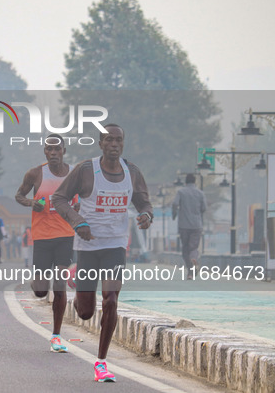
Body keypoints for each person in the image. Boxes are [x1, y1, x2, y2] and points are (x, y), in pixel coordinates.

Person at [52, 123, 152, 382]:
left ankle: (101, 363)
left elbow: (143, 201)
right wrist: (77, 222)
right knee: (85, 312)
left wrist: (146, 215)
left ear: (123, 143)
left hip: (116, 246)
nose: (114, 144)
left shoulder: (133, 172)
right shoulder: (86, 170)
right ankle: (79, 295)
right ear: (100, 143)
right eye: (109, 140)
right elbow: (59, 199)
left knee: (110, 300)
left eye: (119, 140)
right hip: (87, 247)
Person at [15, 134, 79, 353]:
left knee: (59, 284)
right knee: (41, 290)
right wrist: (32, 202)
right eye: (49, 150)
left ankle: (57, 336)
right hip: (42, 236)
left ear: (63, 151)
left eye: (57, 150)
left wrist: (78, 210)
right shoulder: (35, 173)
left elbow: (82, 198)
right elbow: (19, 195)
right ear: (45, 152)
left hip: (65, 235)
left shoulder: (74, 174)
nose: (53, 153)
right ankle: (37, 284)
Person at [172, 173, 206, 279]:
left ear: (185, 182)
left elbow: (174, 204)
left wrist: (174, 215)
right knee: (194, 247)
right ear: (195, 182)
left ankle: (190, 272)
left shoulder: (181, 192)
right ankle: (194, 258)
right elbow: (204, 208)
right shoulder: (200, 193)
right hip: (196, 225)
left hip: (184, 225)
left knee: (185, 249)